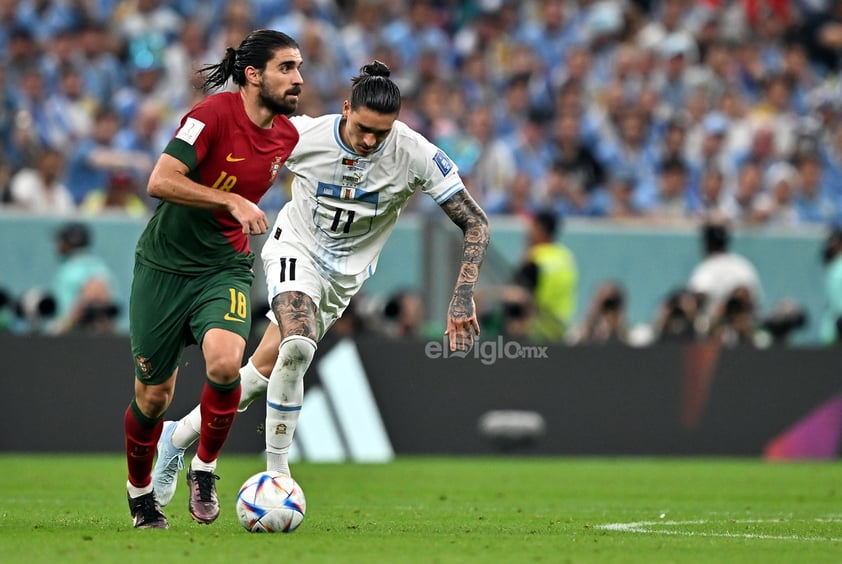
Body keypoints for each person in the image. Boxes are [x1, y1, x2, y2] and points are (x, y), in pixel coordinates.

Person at [152, 60, 490, 509]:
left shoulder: (416, 153)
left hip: (342, 280)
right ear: (346, 109)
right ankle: (277, 477)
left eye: (381, 133)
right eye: (363, 128)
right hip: (294, 247)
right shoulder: (304, 135)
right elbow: (239, 158)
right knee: (299, 346)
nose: (370, 141)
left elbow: (476, 223)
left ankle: (176, 437)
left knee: (260, 374)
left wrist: (462, 295)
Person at [124, 29, 304, 530]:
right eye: (286, 68)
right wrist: (228, 199)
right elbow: (159, 181)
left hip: (224, 265)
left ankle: (204, 468)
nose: (298, 79)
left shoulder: (288, 135)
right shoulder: (210, 116)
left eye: (299, 68)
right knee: (152, 398)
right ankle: (141, 497)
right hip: (163, 266)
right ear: (253, 75)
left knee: (226, 366)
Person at [687, 219, 763, 333]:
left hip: (716, 334)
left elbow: (697, 298)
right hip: (748, 332)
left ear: (706, 244)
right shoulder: (743, 265)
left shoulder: (706, 268)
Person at [512, 210, 578, 342]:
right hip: (561, 328)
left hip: (536, 332)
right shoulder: (566, 257)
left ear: (540, 229)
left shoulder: (534, 258)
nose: (529, 231)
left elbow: (518, 293)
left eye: (532, 227)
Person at [49, 221, 119, 335]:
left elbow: (69, 314)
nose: (57, 244)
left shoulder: (69, 270)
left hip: (71, 336)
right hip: (102, 338)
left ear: (69, 243)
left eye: (61, 240)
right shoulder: (102, 267)